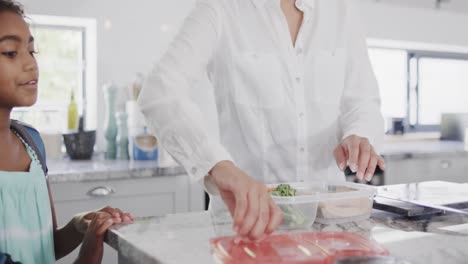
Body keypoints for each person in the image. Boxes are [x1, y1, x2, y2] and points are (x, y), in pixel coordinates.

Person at [138, 0, 385, 241]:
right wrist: (218, 165)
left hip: (331, 225)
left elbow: (363, 101)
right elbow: (160, 91)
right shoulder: (220, 9)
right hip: (249, 225)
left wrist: (358, 132)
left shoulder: (342, 10)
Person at [0, 1, 134, 263]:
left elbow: (46, 244)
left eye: (31, 50)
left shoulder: (31, 142)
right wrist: (89, 254)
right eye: (10, 52)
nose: (31, 64)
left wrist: (82, 226)